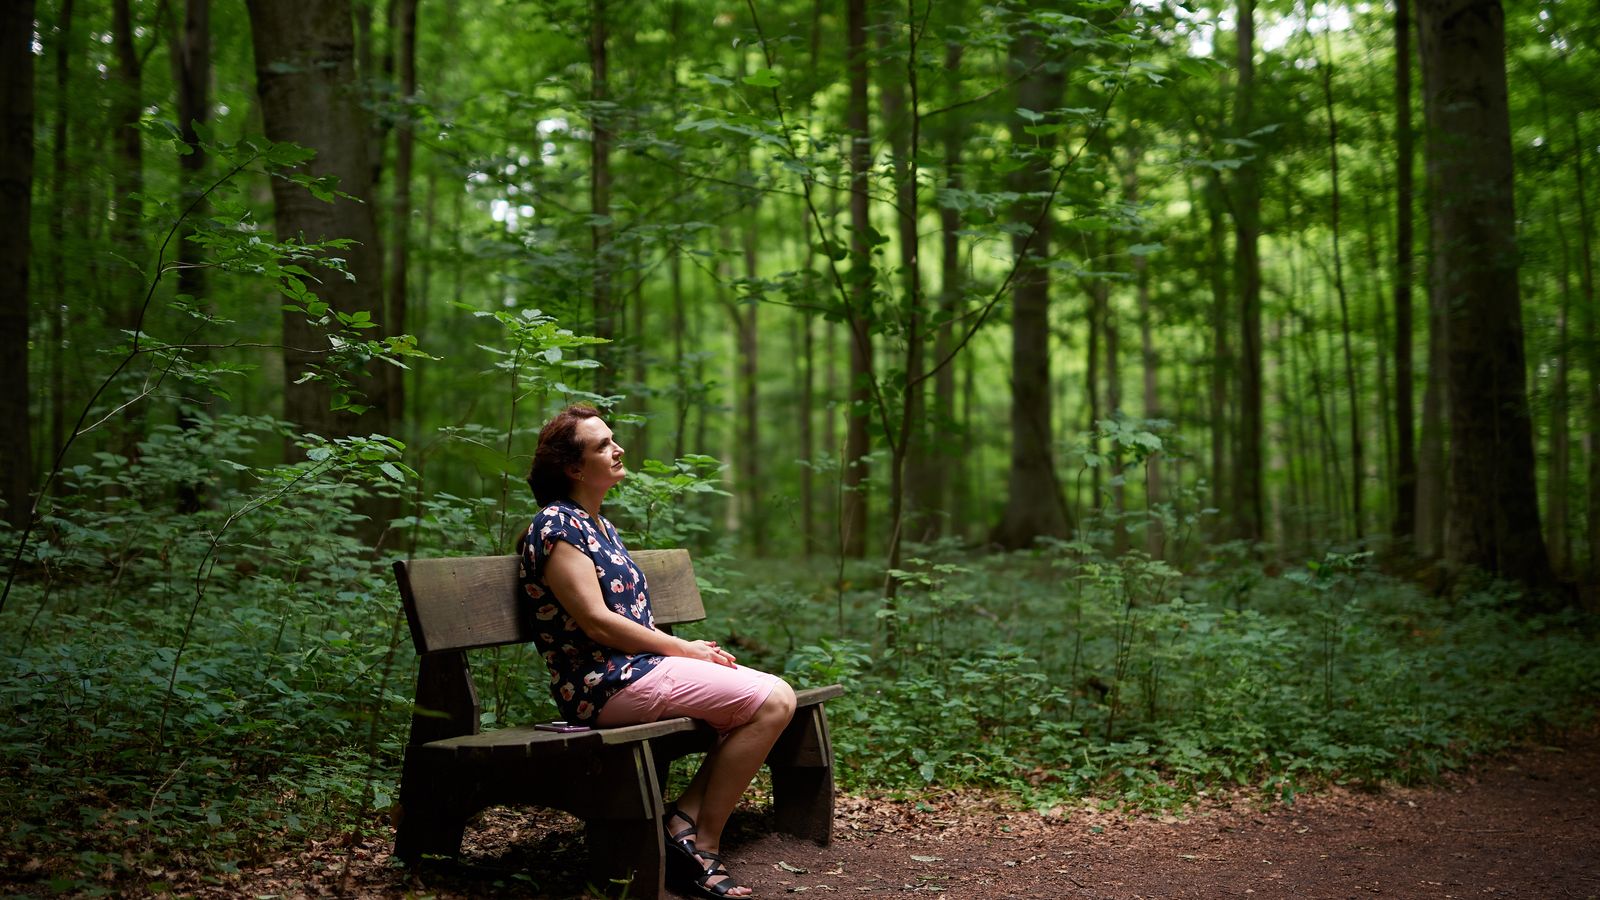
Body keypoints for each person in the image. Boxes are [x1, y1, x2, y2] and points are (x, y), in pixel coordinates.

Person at [516, 404, 797, 899]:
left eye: (613, 438)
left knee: (767, 702)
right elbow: (598, 623)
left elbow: (627, 620)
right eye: (602, 444)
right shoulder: (556, 526)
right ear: (574, 468)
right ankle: (701, 844)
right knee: (773, 701)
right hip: (601, 685)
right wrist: (684, 649)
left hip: (637, 671)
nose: (618, 448)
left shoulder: (599, 525)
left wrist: (684, 652)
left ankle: (681, 825)